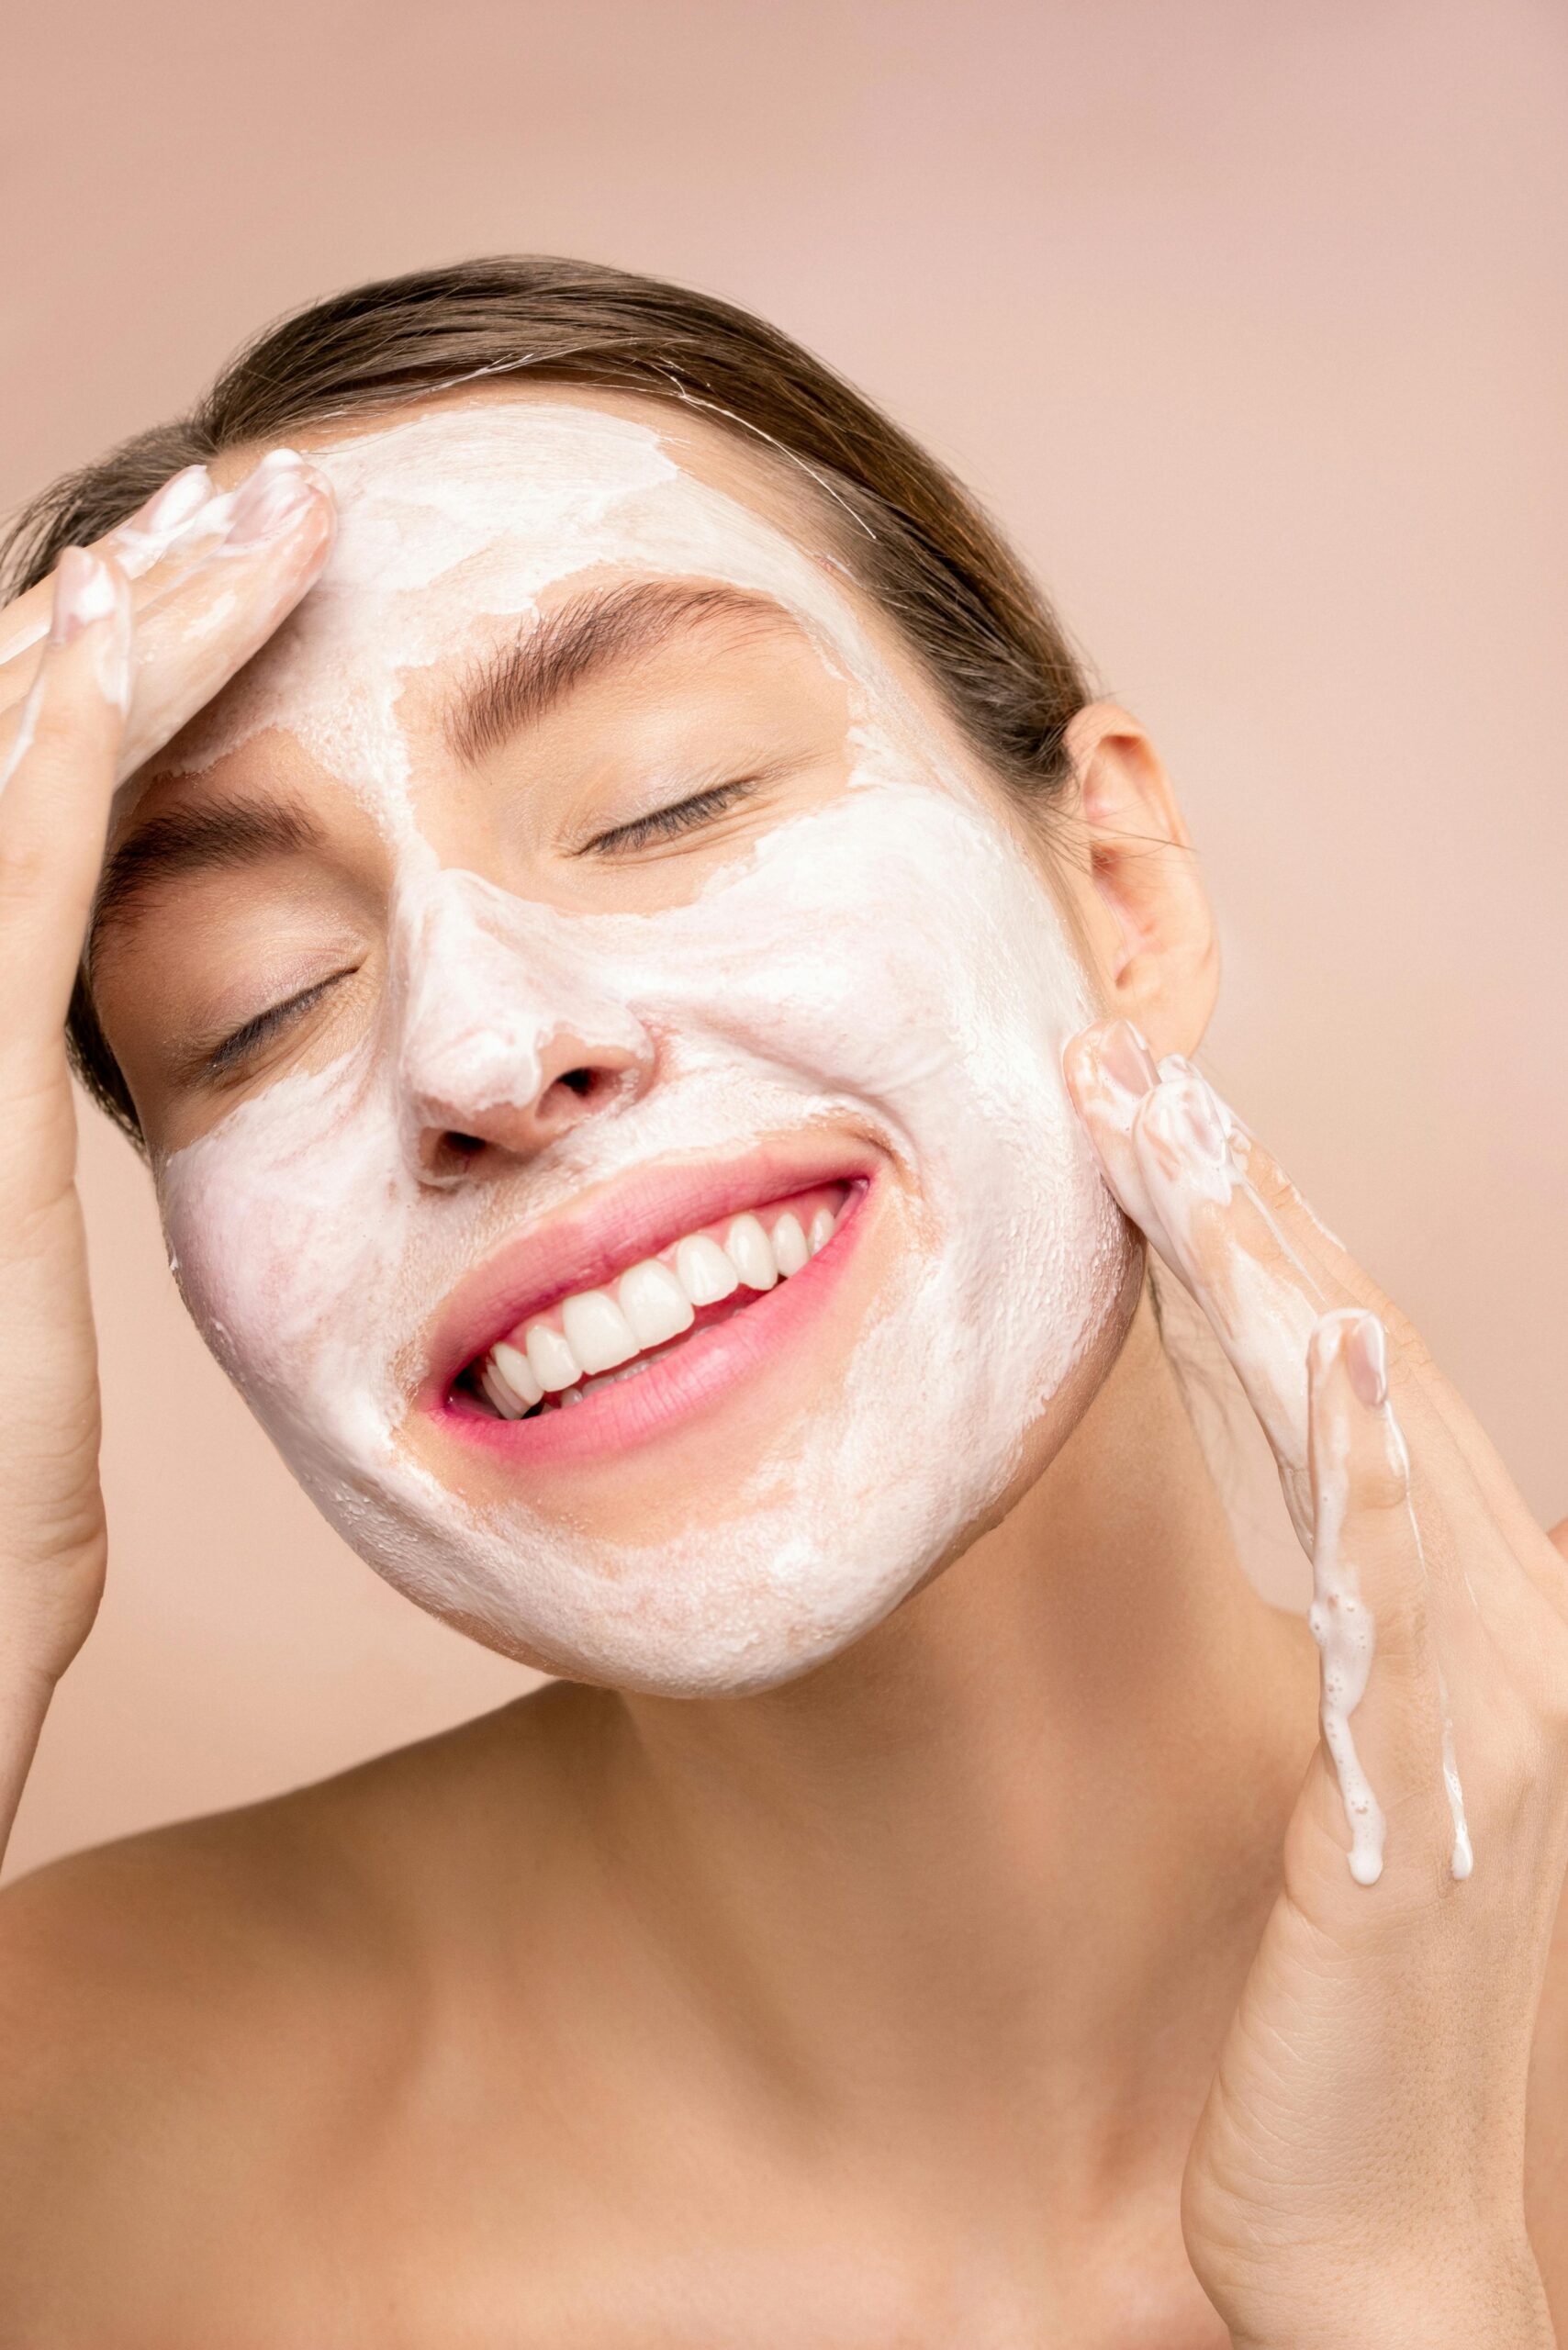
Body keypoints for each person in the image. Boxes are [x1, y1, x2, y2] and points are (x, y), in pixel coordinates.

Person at [0, 258, 1563, 2346]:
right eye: (254, 1004)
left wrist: (1397, 2280)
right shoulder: (67, 2126)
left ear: (1116, 893)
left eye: (665, 799)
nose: (478, 1049)